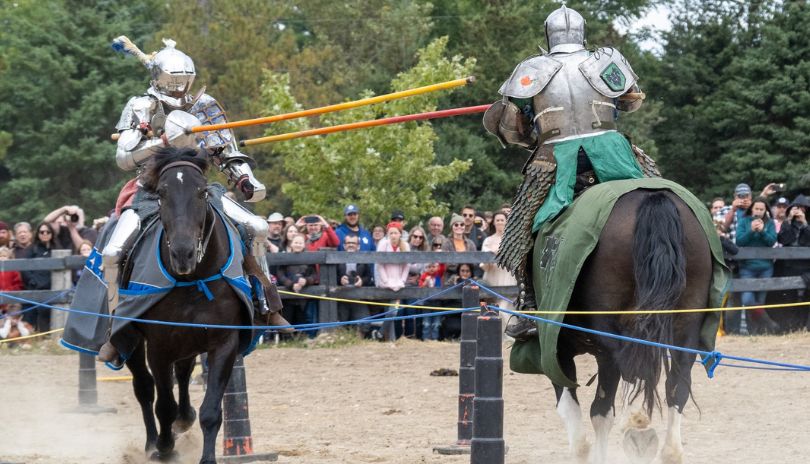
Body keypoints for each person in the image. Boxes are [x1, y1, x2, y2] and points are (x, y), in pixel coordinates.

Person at [95, 36, 288, 363]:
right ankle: (117, 327)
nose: (180, 87)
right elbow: (125, 157)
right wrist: (163, 142)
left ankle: (264, 304)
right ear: (159, 79)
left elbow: (227, 151)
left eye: (184, 81)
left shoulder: (206, 106)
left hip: (199, 188)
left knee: (256, 227)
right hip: (153, 190)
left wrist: (244, 178)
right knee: (113, 252)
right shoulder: (142, 106)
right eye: (174, 81)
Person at [483, 5, 657, 339]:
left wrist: (527, 115)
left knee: (520, 226)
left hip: (557, 155)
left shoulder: (531, 70)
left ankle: (530, 306)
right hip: (612, 151)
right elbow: (631, 100)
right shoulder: (606, 60)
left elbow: (512, 131)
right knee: (657, 188)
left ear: (548, 35)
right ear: (582, 31)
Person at [735, 197, 779, 334]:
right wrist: (752, 230)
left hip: (766, 268)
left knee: (760, 301)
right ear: (752, 209)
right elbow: (739, 241)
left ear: (766, 210)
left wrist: (763, 231)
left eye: (761, 209)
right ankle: (771, 325)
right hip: (747, 268)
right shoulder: (743, 221)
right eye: (756, 208)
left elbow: (772, 241)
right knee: (747, 300)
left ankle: (756, 331)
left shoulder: (770, 223)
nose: (759, 211)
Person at [276, 234, 317, 339]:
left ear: (304, 245)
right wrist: (290, 284)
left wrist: (306, 281)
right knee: (287, 317)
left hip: (303, 296)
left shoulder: (309, 258)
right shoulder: (285, 257)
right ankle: (286, 339)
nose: (298, 245)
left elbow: (314, 274)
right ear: (291, 244)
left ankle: (300, 338)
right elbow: (280, 274)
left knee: (301, 318)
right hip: (288, 296)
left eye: (300, 243)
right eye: (296, 242)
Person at [376, 222, 410, 341]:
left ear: (400, 234)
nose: (393, 235)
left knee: (392, 312)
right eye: (391, 233)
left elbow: (407, 265)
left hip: (399, 283)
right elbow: (379, 264)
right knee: (390, 312)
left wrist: (402, 280)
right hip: (385, 282)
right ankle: (389, 338)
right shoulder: (383, 244)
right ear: (388, 234)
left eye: (396, 233)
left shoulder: (405, 245)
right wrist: (386, 281)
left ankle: (381, 334)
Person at [336, 235, 373, 337]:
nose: (351, 245)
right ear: (344, 245)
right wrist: (340, 280)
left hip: (358, 297)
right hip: (342, 297)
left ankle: (358, 342)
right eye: (348, 243)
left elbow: (369, 277)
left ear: (358, 246)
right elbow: (332, 276)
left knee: (365, 323)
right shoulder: (337, 258)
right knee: (339, 323)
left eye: (354, 243)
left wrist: (362, 281)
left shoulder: (363, 259)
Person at [22, 223, 57, 332]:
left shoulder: (56, 248)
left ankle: (46, 335)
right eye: (42, 232)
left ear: (52, 234)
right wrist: (32, 281)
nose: (45, 234)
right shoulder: (32, 249)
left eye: (48, 232)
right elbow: (24, 267)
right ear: (38, 234)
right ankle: (31, 338)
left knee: (48, 313)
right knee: (31, 313)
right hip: (35, 287)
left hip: (52, 288)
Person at [480, 210, 517, 310]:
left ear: (506, 222)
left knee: (506, 306)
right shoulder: (488, 240)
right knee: (492, 305)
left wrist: (495, 251)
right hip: (492, 275)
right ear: (494, 222)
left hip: (508, 275)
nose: (500, 222)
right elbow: (485, 257)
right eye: (498, 220)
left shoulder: (513, 240)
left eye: (502, 220)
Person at [418, 261, 446, 341]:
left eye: (433, 266)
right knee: (426, 322)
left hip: (437, 302)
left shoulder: (438, 275)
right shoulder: (424, 276)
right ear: (426, 268)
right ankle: (426, 337)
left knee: (436, 322)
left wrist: (440, 260)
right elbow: (420, 287)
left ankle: (435, 338)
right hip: (427, 302)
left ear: (437, 267)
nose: (431, 269)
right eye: (429, 267)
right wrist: (425, 283)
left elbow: (443, 268)